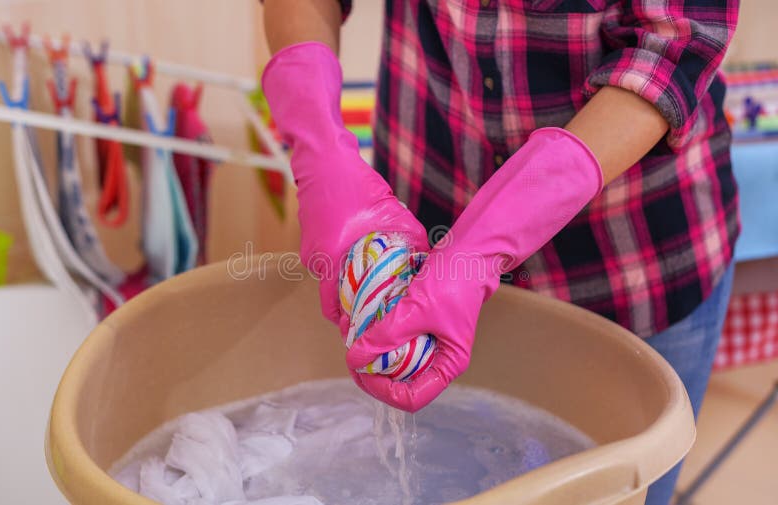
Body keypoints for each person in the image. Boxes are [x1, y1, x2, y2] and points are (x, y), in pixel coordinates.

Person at [261, 1, 739, 502]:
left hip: (634, 259)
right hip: (429, 227)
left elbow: (674, 44)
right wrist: (319, 146)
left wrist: (491, 239)